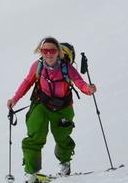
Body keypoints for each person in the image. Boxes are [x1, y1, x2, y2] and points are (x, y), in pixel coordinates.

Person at [7, 37, 97, 182]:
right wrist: (14, 99)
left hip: (63, 107)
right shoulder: (38, 66)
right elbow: (27, 82)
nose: (48, 54)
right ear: (41, 52)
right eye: (45, 51)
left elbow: (79, 82)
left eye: (52, 51)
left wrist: (88, 89)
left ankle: (64, 164)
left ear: (58, 52)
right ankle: (31, 173)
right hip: (41, 104)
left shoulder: (67, 68)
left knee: (62, 137)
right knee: (35, 135)